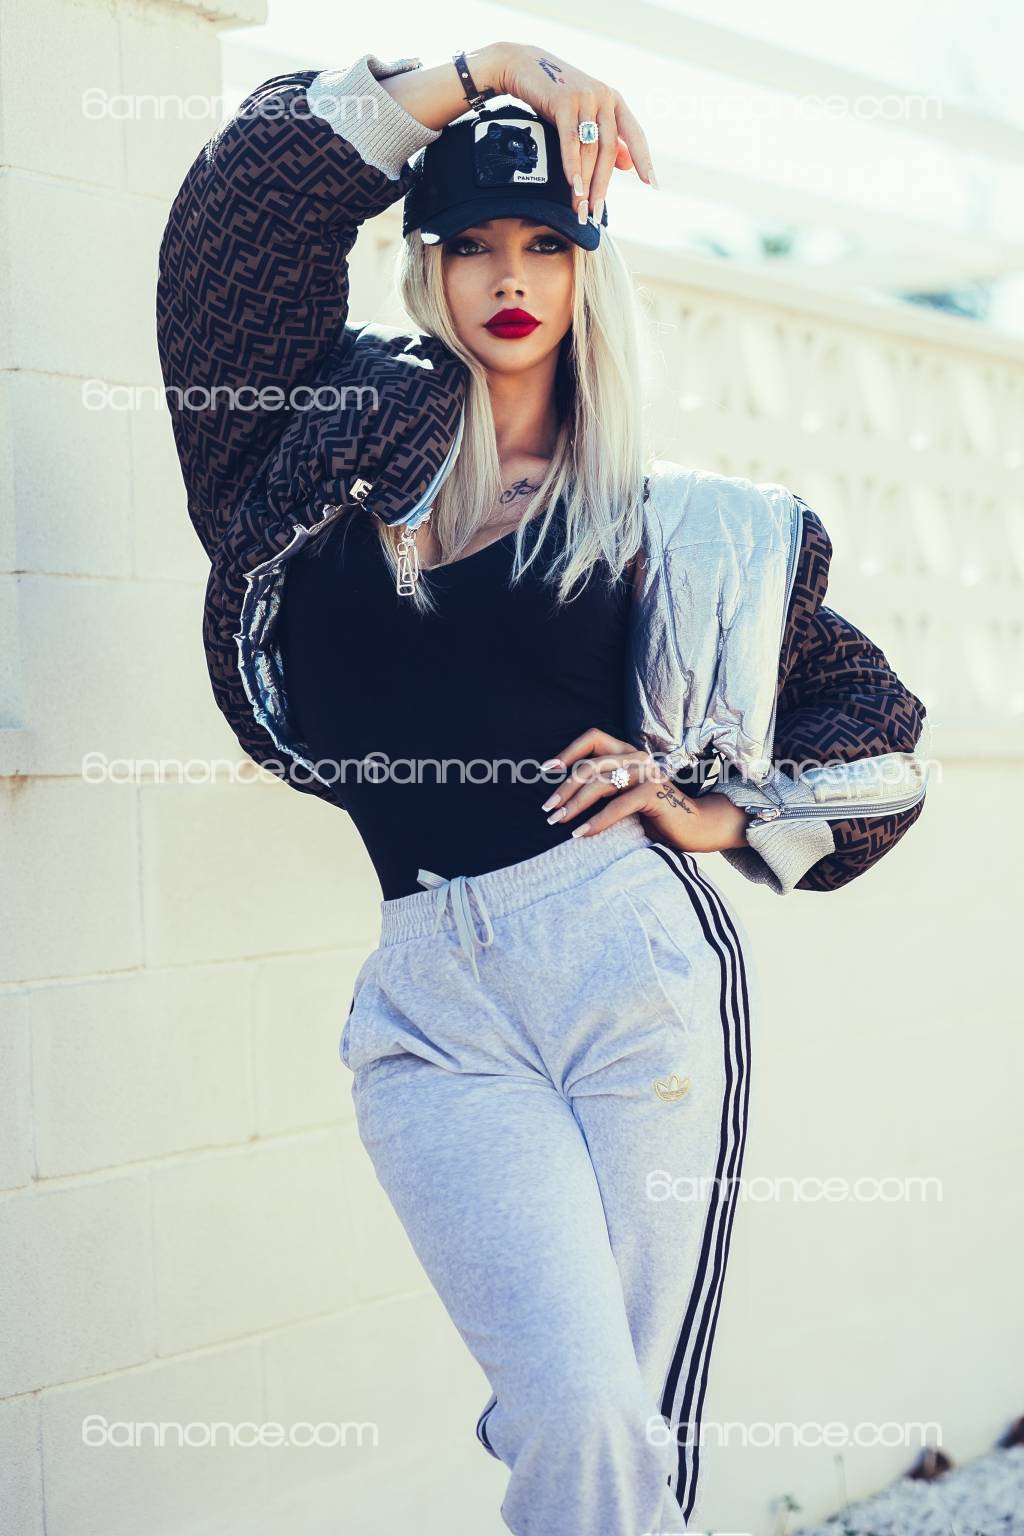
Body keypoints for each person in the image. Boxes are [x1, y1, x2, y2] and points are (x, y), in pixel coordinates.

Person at [156, 41, 930, 1535]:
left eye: (547, 245)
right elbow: (237, 221)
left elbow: (875, 736)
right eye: (471, 246)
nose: (510, 277)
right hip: (430, 1008)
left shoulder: (666, 526)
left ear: (589, 270)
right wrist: (486, 69)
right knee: (572, 1409)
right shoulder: (311, 448)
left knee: (619, 1434)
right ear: (426, 269)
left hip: (628, 971)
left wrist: (711, 810)